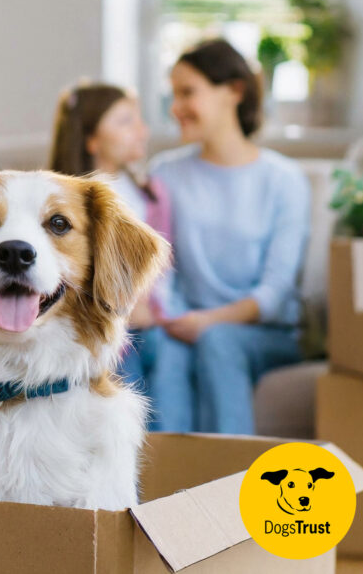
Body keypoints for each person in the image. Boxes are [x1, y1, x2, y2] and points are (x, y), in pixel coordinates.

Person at [149, 39, 310, 435]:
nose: (176, 107)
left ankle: (231, 486)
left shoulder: (284, 180)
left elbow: (275, 293)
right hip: (187, 323)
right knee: (166, 350)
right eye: (173, 94)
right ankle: (161, 492)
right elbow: (160, 270)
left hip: (266, 334)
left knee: (218, 341)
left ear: (234, 91)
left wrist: (208, 321)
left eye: (188, 92)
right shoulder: (165, 174)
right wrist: (173, 316)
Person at [48, 82, 172, 389]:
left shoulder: (152, 194)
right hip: (103, 326)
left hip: (154, 325)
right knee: (120, 361)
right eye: (126, 121)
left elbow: (164, 270)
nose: (141, 131)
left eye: (138, 120)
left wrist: (155, 311)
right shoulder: (62, 206)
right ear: (91, 140)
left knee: (170, 361)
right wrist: (123, 310)